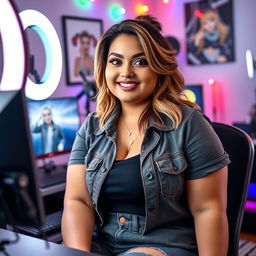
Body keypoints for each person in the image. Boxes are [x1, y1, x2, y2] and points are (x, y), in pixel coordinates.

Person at [62, 16, 230, 256]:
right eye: (116, 62)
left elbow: (208, 209)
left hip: (164, 246)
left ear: (158, 67)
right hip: (103, 245)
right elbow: (78, 201)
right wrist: (79, 253)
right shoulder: (91, 127)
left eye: (140, 61)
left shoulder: (188, 124)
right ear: (104, 68)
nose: (126, 72)